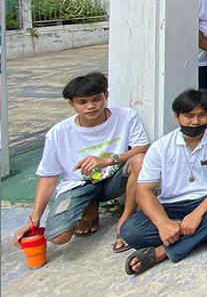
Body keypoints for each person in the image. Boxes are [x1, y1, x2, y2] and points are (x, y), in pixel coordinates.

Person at [14, 73, 149, 254]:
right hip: (79, 185)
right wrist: (35, 220)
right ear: (71, 103)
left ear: (106, 96)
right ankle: (89, 207)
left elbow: (143, 147)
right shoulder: (58, 133)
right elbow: (48, 177)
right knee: (58, 237)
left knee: (140, 161)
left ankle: (125, 218)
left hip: (113, 181)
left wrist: (108, 160)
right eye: (82, 102)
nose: (91, 106)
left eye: (97, 99)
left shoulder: (125, 116)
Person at [120, 89, 207, 275]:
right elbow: (143, 191)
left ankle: (163, 252)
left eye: (202, 115)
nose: (196, 122)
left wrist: (197, 214)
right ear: (177, 117)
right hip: (170, 206)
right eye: (189, 116)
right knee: (130, 230)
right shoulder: (160, 147)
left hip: (206, 202)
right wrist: (163, 224)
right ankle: (205, 232)